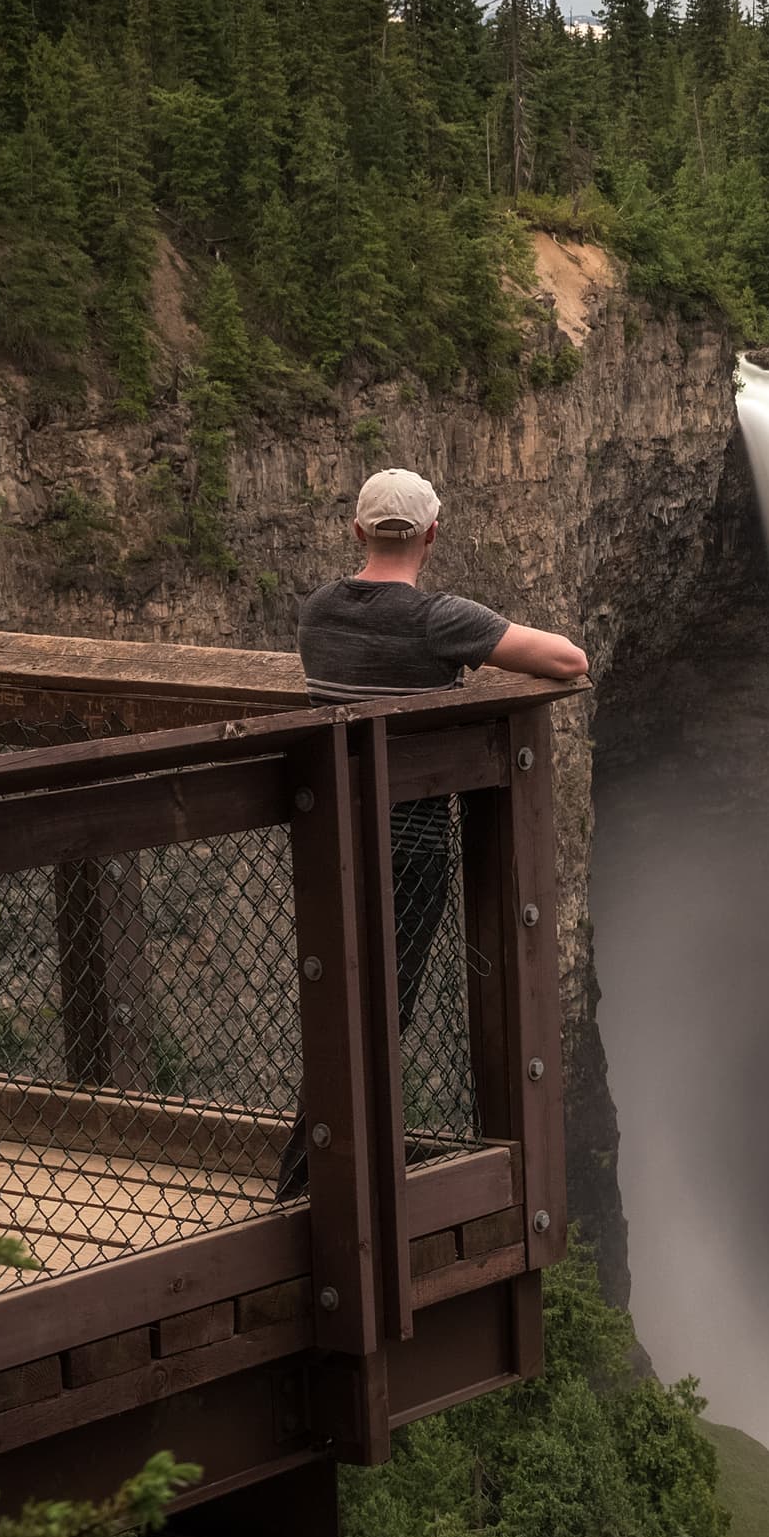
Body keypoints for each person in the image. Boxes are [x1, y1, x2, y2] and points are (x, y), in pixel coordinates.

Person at [276, 467, 587, 1200]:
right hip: (409, 849)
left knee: (342, 1000)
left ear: (357, 530)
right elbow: (567, 659)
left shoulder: (316, 612)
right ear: (432, 535)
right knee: (385, 1008)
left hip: (327, 840)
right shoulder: (439, 620)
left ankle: (325, 1163)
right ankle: (311, 1176)